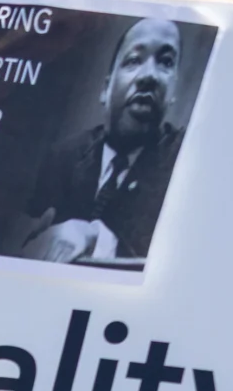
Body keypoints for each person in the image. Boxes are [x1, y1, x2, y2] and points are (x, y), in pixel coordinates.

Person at [22, 16, 191, 264]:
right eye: (133, 61)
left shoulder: (184, 159)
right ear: (105, 89)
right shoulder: (63, 157)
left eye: (165, 62)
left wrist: (93, 236)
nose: (149, 76)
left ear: (173, 94)